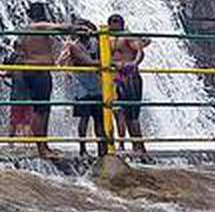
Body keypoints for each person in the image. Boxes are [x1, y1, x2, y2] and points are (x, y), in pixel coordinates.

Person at [12, 2, 69, 159]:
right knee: (41, 111)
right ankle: (42, 149)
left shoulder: (23, 31)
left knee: (41, 110)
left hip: (29, 71)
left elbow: (19, 48)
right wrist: (78, 28)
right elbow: (61, 28)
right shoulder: (39, 26)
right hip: (39, 72)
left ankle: (43, 146)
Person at [60, 20, 106, 157]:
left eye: (87, 29)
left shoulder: (97, 44)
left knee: (99, 119)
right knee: (84, 118)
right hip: (82, 87)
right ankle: (82, 149)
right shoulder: (74, 46)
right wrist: (110, 63)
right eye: (81, 30)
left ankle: (102, 148)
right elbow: (88, 62)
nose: (85, 32)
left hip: (97, 86)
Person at [109, 13, 151, 158]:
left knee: (132, 115)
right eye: (112, 22)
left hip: (130, 77)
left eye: (116, 22)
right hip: (117, 77)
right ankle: (130, 145)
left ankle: (140, 147)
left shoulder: (127, 36)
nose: (114, 24)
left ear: (121, 23)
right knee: (123, 113)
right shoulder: (107, 38)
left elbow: (140, 51)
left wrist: (133, 64)